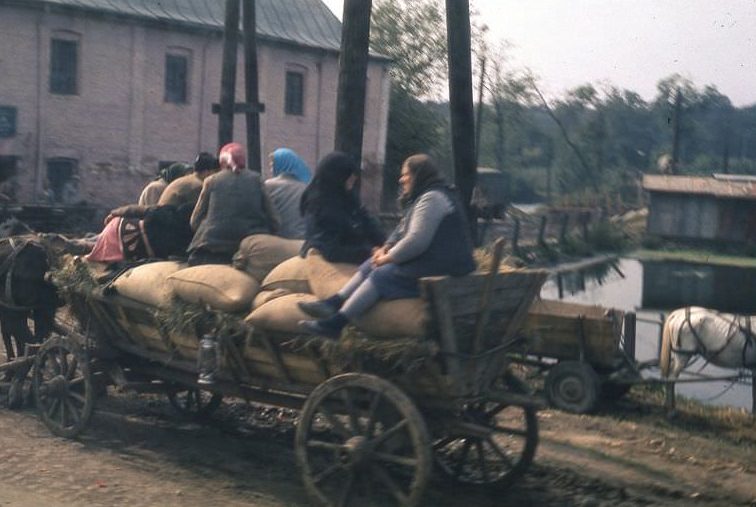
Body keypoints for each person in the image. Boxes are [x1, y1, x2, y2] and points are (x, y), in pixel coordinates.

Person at [298, 154, 476, 338]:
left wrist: (388, 257)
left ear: (418, 175)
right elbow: (401, 230)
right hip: (433, 260)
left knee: (383, 274)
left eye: (406, 174)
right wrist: (386, 247)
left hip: (445, 266)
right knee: (370, 264)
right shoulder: (423, 197)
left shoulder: (433, 198)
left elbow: (416, 241)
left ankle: (336, 324)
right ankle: (335, 302)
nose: (401, 179)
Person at [187, 142, 279, 266]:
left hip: (213, 246)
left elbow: (194, 221)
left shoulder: (211, 181)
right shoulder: (257, 179)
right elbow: (275, 219)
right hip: (249, 244)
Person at [299, 151, 385, 264]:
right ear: (337, 179)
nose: (351, 186)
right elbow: (329, 249)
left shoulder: (347, 199)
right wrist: (369, 252)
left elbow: (367, 222)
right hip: (334, 260)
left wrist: (384, 245)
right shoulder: (320, 207)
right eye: (349, 181)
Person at [264, 148, 311, 239]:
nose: (271, 170)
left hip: (278, 241)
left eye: (272, 166)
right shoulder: (306, 188)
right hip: (303, 241)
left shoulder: (269, 186)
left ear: (281, 165)